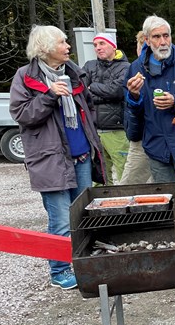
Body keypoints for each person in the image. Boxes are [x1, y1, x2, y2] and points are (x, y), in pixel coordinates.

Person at [9, 25, 104, 289]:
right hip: (50, 160)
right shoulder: (24, 76)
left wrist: (89, 135)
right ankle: (59, 271)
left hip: (81, 156)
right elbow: (22, 115)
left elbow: (89, 105)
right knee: (61, 219)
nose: (68, 47)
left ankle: (84, 263)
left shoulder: (73, 71)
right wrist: (50, 96)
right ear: (46, 48)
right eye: (62, 42)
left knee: (83, 214)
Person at [124, 16, 175, 182]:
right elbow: (131, 110)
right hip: (156, 147)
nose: (163, 42)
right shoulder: (136, 68)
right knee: (167, 200)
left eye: (166, 35)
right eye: (156, 37)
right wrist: (133, 96)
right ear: (146, 40)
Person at [83, 31, 129, 184]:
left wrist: (93, 87)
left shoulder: (125, 67)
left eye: (102, 44)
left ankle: (125, 203)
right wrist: (103, 92)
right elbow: (82, 92)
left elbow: (117, 92)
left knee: (125, 173)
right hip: (94, 130)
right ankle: (101, 205)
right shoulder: (89, 66)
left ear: (113, 46)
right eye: (95, 45)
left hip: (117, 130)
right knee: (99, 176)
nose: (98, 48)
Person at [118, 31, 153, 185]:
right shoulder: (134, 69)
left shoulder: (140, 70)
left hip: (143, 136)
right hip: (138, 133)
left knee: (130, 185)